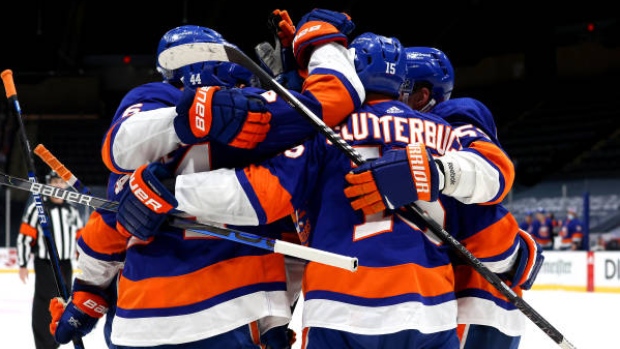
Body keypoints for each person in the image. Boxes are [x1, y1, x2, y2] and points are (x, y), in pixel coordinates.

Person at [114, 30, 540, 349]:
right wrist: (517, 255)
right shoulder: (446, 131)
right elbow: (494, 204)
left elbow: (259, 194)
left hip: (339, 305)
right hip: (432, 309)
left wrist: (174, 192)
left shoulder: (323, 133)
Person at [50, 9, 364, 348]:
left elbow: (113, 187)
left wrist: (87, 294)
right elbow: (334, 98)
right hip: (235, 309)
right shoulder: (257, 110)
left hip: (139, 320)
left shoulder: (150, 115)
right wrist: (315, 47)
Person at [395, 46, 542, 348]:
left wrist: (437, 172)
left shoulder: (451, 119)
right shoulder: (394, 132)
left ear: (422, 97)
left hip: (476, 301)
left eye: (397, 87)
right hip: (446, 301)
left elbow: (494, 173)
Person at [16, 170, 84, 349]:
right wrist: (22, 263)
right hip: (45, 264)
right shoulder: (38, 209)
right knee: (44, 304)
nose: (58, 185)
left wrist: (86, 262)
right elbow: (25, 236)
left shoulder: (72, 211)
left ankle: (57, 341)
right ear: (48, 185)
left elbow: (81, 239)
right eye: (54, 182)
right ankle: (43, 345)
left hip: (66, 264)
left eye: (61, 182)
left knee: (64, 303)